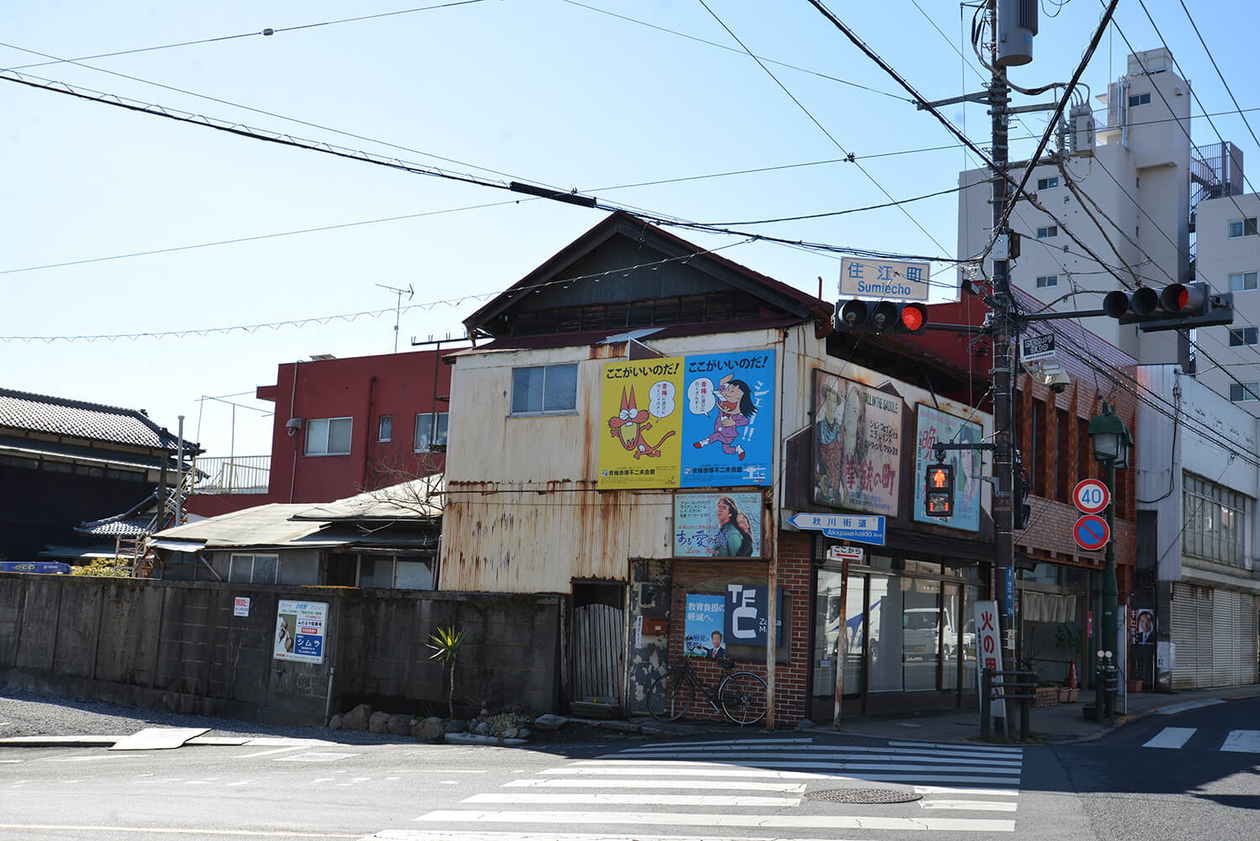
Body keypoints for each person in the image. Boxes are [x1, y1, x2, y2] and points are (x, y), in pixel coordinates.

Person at [694, 374, 756, 460]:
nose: (727, 393)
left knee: (717, 436)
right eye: (728, 389)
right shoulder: (723, 405)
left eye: (732, 392)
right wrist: (722, 383)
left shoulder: (738, 415)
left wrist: (734, 422)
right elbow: (722, 394)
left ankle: (704, 442)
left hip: (729, 436)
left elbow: (745, 421)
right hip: (719, 430)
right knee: (726, 450)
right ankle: (738, 449)